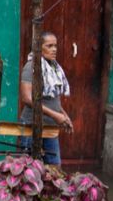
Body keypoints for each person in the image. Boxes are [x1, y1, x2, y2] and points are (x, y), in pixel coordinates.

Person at [19, 31, 74, 166]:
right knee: (29, 168)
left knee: (54, 167)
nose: (54, 49)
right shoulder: (31, 67)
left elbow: (52, 98)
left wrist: (64, 116)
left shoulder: (54, 68)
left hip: (50, 127)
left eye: (55, 46)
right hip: (32, 125)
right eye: (49, 46)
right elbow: (26, 98)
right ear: (38, 47)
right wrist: (55, 115)